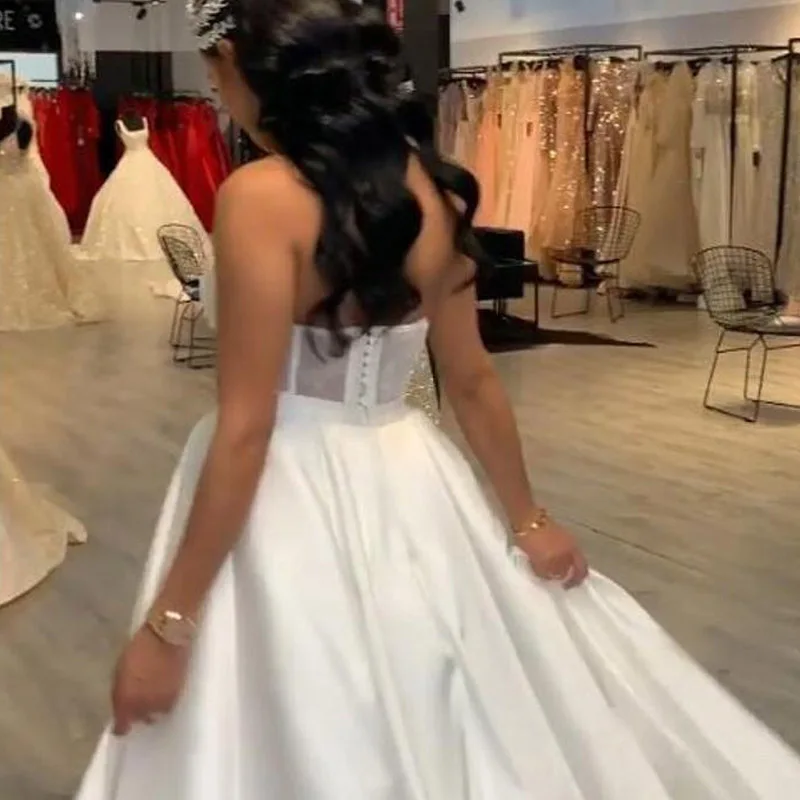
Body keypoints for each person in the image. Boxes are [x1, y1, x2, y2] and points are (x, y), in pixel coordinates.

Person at [75, 1, 800, 797]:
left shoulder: (259, 196)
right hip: (412, 472)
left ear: (262, 72)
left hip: (286, 488)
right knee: (436, 683)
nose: (216, 91)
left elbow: (250, 426)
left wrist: (170, 626)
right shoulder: (432, 194)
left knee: (304, 703)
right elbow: (472, 377)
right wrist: (528, 518)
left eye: (217, 70)